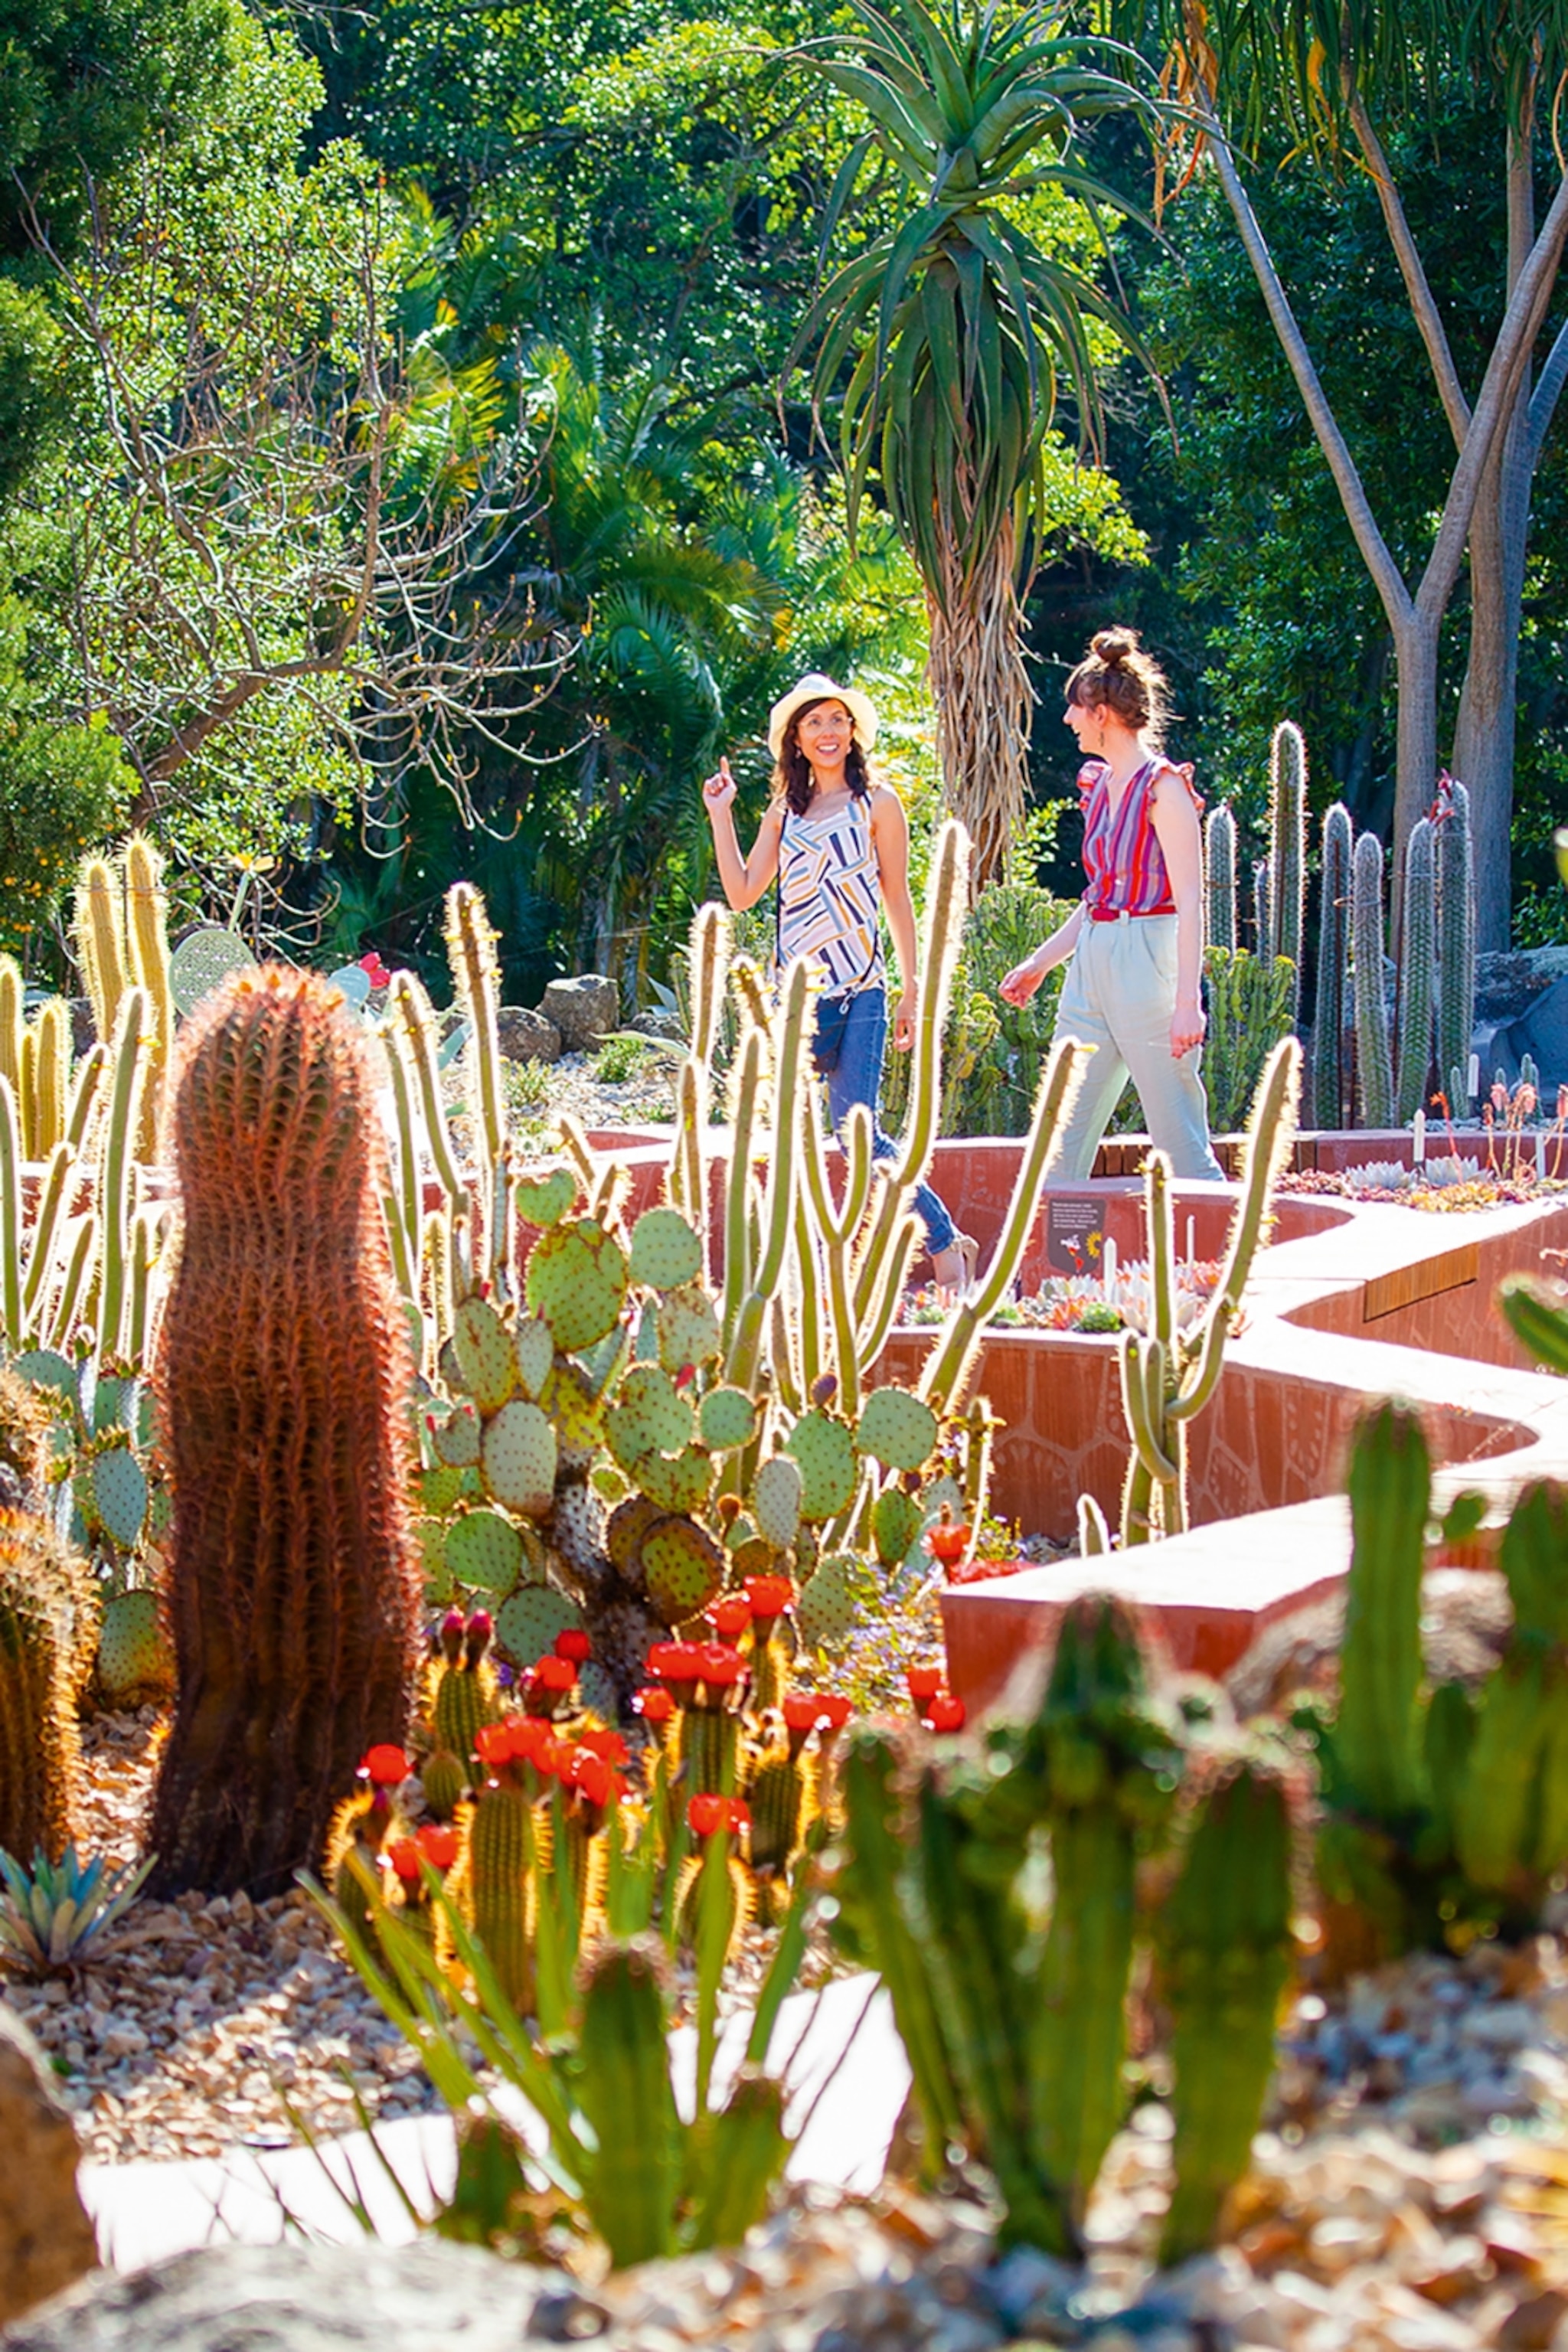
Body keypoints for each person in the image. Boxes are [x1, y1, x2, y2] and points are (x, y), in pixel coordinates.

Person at [701, 671, 975, 1292]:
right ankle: (793, 1279)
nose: (828, 732)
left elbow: (897, 897)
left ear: (853, 732)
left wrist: (913, 990)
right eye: (814, 722)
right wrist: (721, 814)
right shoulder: (784, 813)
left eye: (837, 720)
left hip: (863, 993)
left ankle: (942, 1240)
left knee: (856, 1128)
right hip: (796, 1001)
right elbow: (744, 893)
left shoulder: (877, 804)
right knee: (794, 1133)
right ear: (796, 740)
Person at [1000, 628, 1224, 1182]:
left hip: (1148, 956)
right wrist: (1040, 963)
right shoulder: (1100, 786)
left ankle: (1229, 1262)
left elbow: (1192, 901)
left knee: (1180, 1144)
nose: (1069, 720)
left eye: (1076, 708)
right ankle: (1050, 1266)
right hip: (1094, 959)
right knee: (1058, 1135)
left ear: (1102, 713)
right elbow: (1097, 897)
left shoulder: (1164, 787)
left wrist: (1185, 1001)